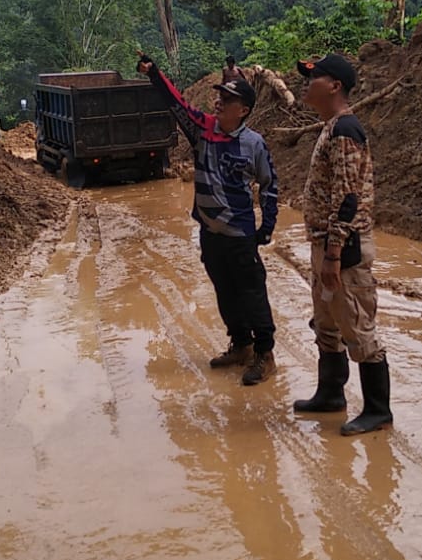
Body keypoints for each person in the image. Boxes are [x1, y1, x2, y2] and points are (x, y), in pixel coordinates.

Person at [137, 54, 280, 385]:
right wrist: (154, 74)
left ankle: (265, 353)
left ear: (242, 109)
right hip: (210, 233)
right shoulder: (202, 130)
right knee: (225, 292)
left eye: (227, 99)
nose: (218, 102)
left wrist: (267, 227)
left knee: (252, 293)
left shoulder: (253, 143)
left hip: (240, 234)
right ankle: (241, 345)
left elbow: (270, 185)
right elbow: (176, 105)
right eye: (219, 96)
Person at [292, 53, 392, 435]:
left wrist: (334, 253)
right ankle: (330, 395)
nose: (307, 82)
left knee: (358, 327)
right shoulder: (332, 127)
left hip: (344, 249)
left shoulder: (345, 130)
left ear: (334, 86)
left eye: (314, 76)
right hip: (327, 246)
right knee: (327, 324)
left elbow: (347, 198)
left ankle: (379, 411)